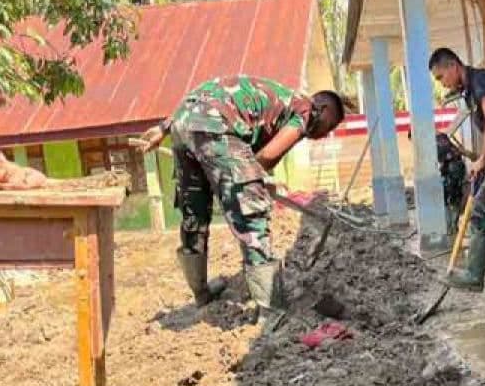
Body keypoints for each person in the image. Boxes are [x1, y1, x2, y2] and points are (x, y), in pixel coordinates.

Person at [138, 75, 345, 313]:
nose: (322, 134)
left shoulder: (277, 97)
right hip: (216, 127)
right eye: (330, 126)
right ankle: (270, 308)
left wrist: (164, 128)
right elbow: (267, 156)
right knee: (251, 215)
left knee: (193, 212)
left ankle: (201, 294)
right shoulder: (306, 111)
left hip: (183, 122)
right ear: (324, 108)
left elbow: (206, 98)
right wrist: (254, 179)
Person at [429, 48, 485, 291]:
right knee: (479, 204)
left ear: (453, 66)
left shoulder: (480, 80)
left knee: (481, 209)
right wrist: (483, 162)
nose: (442, 84)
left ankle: (473, 275)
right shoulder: (469, 91)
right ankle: (473, 272)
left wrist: (483, 158)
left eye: (441, 77)